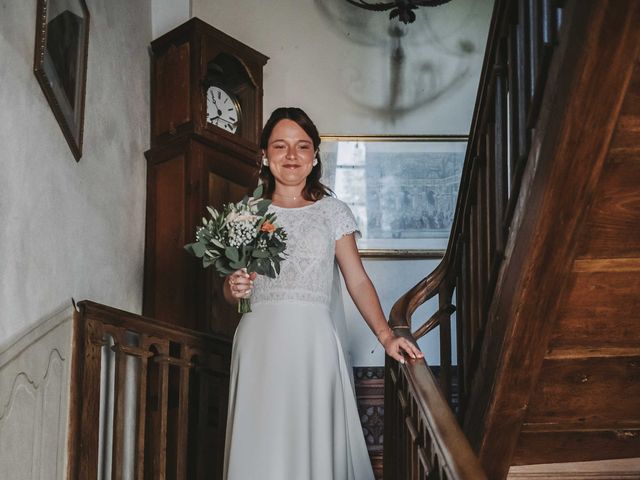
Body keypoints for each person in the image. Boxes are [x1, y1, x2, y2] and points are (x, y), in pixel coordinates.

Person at [222, 107, 423, 480]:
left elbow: (358, 280)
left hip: (314, 341)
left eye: (302, 146)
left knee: (311, 437)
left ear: (315, 157)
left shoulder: (332, 212)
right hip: (259, 339)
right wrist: (234, 287)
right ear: (265, 156)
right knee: (261, 438)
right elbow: (233, 286)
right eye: (280, 146)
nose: (292, 156)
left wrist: (385, 335)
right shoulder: (246, 212)